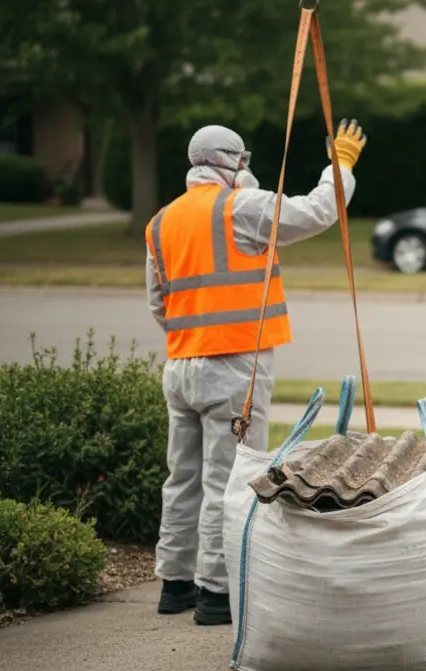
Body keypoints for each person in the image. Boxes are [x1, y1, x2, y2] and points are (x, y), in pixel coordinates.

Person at [146, 120, 367, 626]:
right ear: (230, 162)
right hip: (234, 366)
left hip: (181, 364)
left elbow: (160, 305)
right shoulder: (240, 207)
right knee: (229, 481)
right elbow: (316, 211)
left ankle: (174, 584)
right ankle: (216, 595)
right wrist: (342, 166)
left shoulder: (161, 222)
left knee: (182, 478)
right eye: (242, 160)